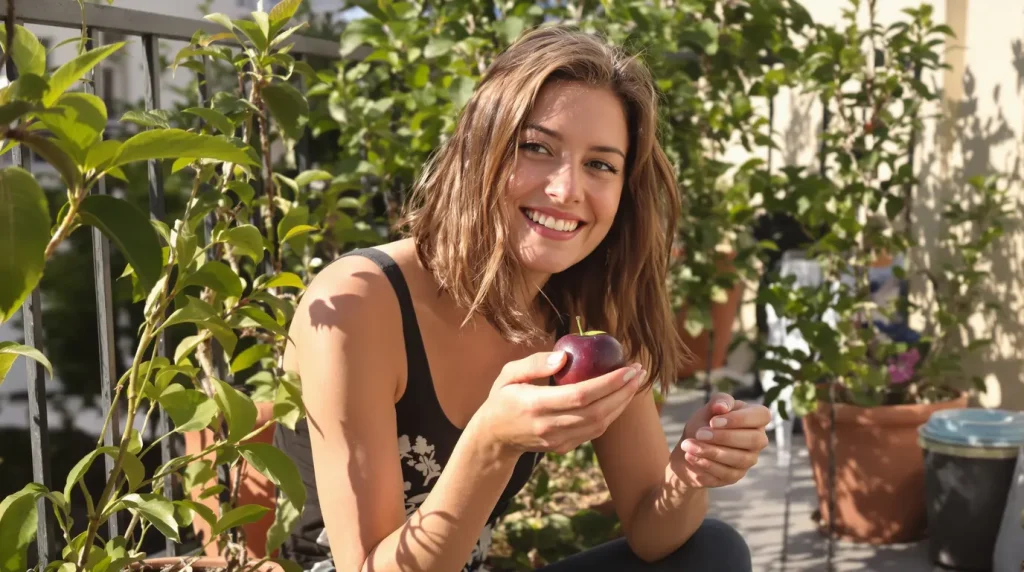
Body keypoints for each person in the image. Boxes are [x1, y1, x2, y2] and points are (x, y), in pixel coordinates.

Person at [275, 24, 770, 572]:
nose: (566, 190)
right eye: (537, 148)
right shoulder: (360, 302)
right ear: (479, 151)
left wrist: (692, 470)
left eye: (600, 164)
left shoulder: (583, 314)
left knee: (714, 550)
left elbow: (653, 534)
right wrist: (491, 443)